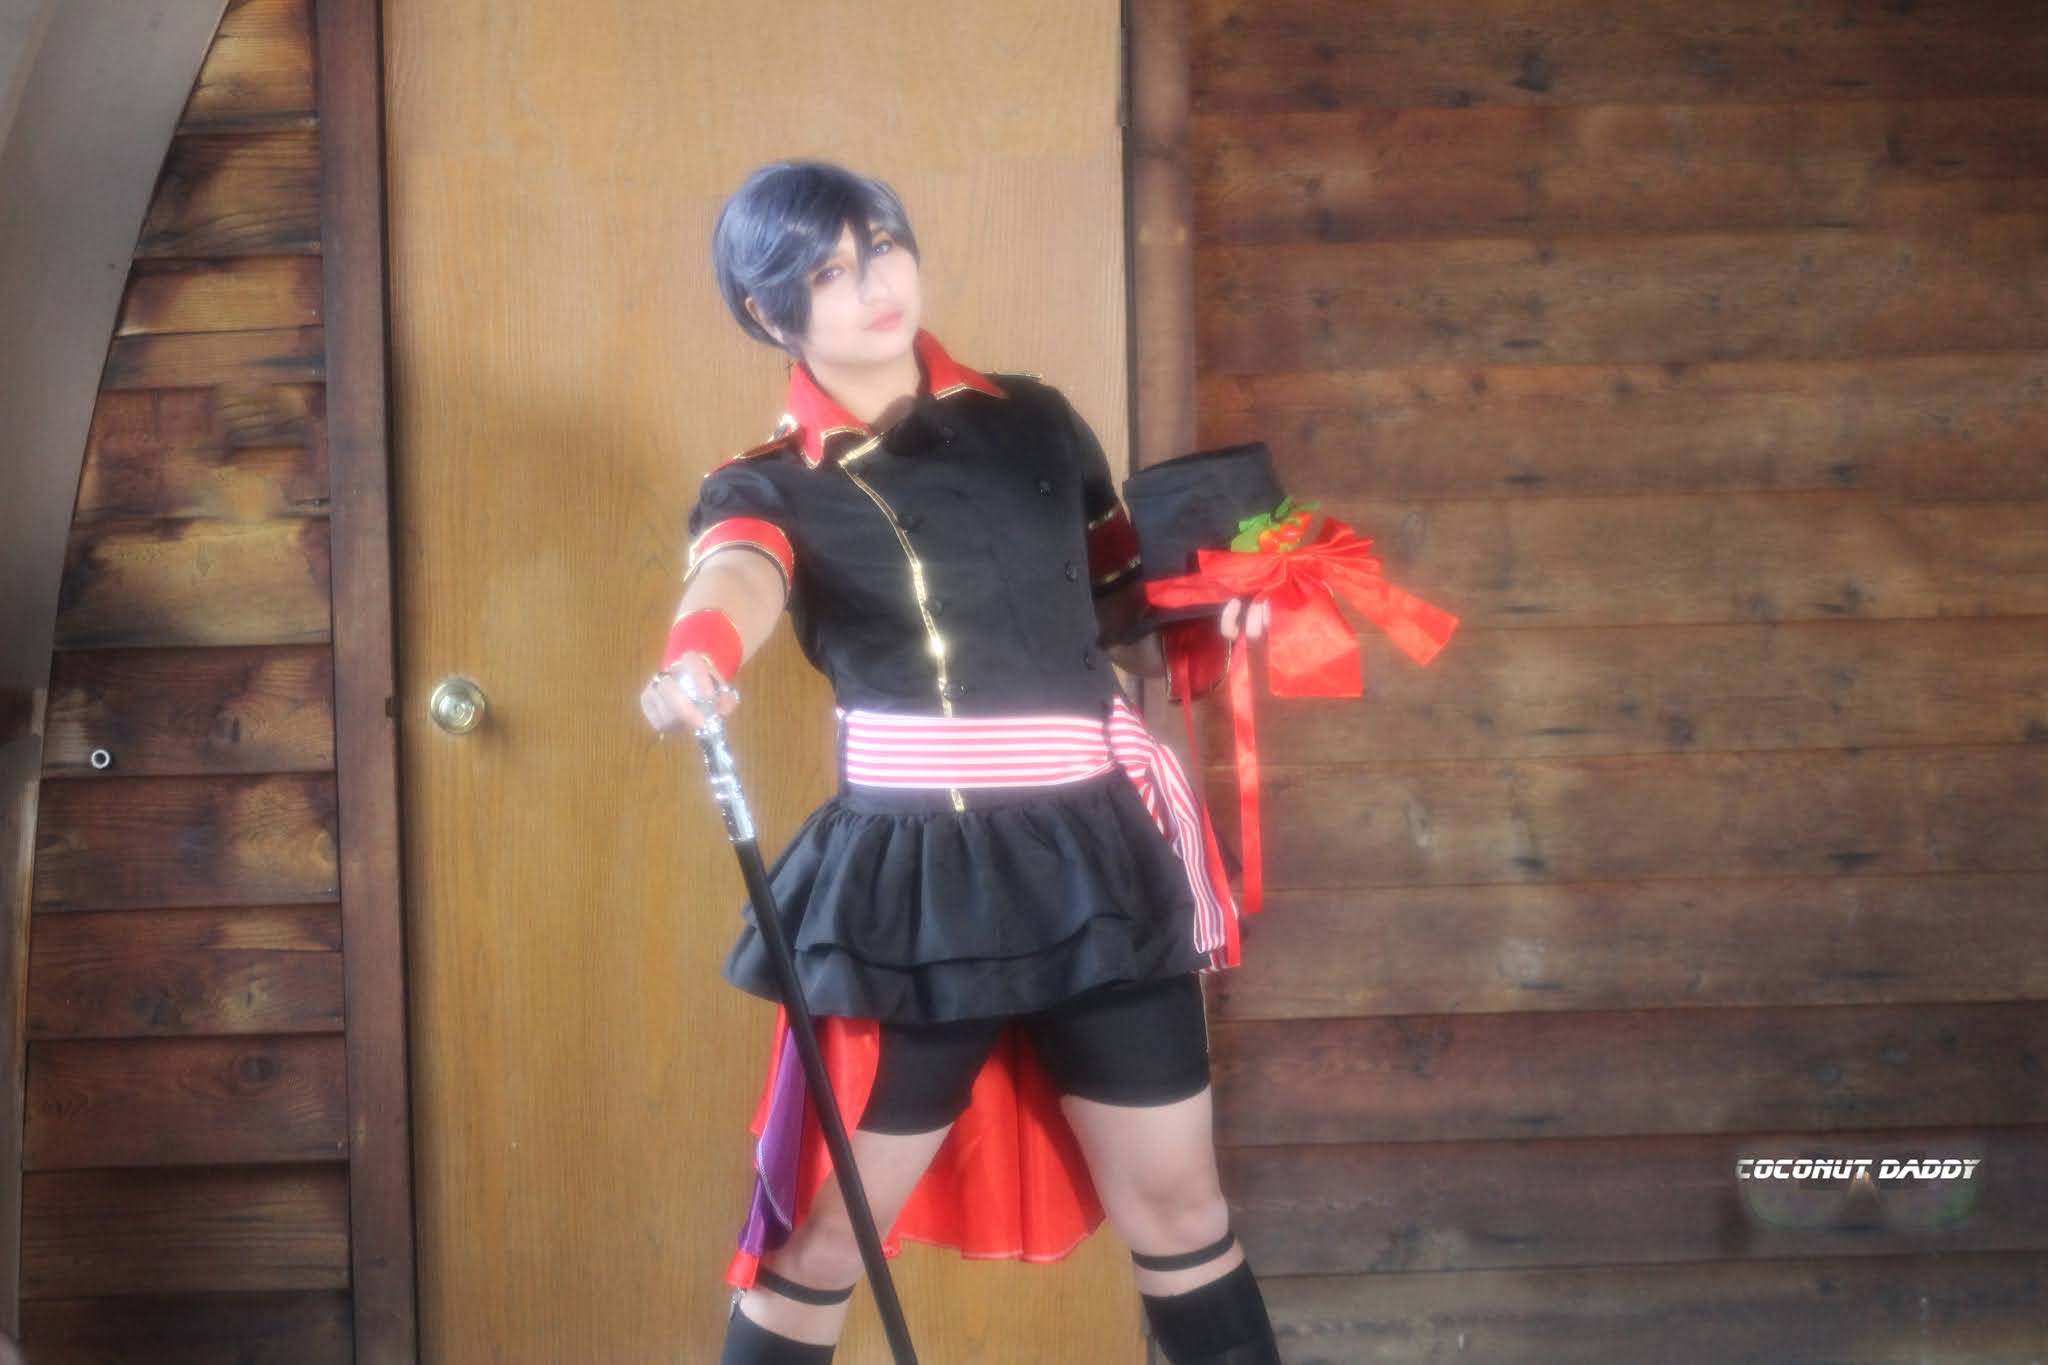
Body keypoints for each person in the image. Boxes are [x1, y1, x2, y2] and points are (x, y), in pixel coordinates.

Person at [639, 160, 1280, 1365]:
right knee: (825, 1236)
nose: (873, 282)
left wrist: (1225, 602)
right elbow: (736, 572)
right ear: (768, 312)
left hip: (1097, 855)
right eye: (828, 271)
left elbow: (1121, 611)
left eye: (882, 246)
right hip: (918, 882)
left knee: (1182, 1209)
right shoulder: (765, 482)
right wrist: (698, 658)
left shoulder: (1036, 419)